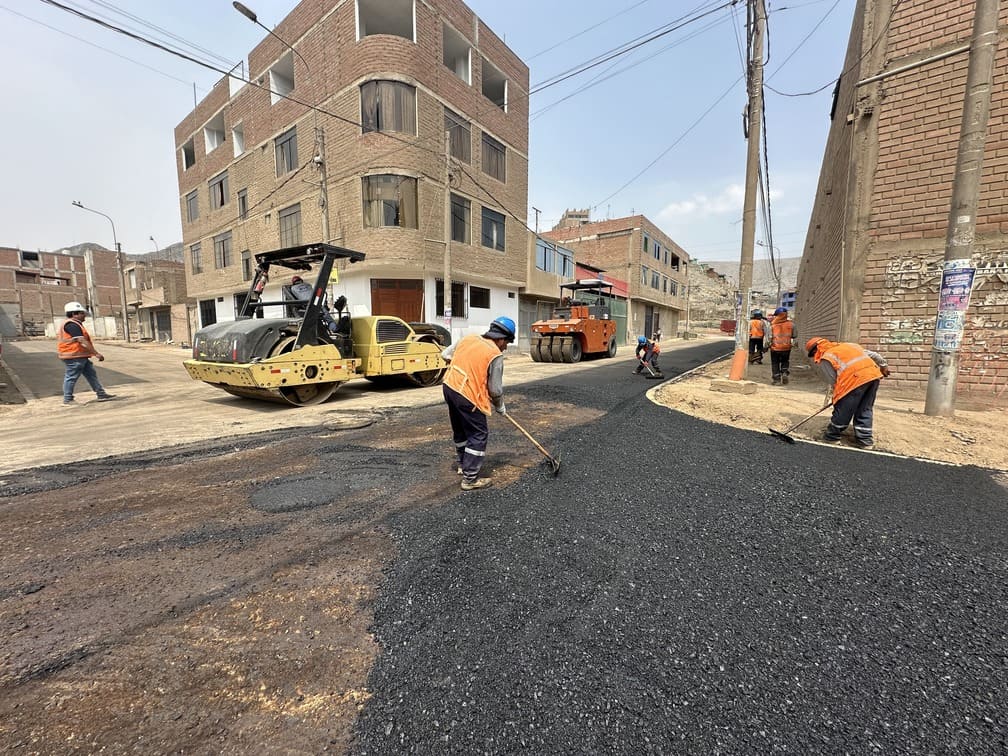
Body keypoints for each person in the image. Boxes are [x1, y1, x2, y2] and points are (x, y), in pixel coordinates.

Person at [441, 316, 515, 490]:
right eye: (507, 343)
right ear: (502, 339)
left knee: (460, 428)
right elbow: (495, 390)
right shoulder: (494, 355)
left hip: (450, 386)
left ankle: (462, 464)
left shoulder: (469, 338)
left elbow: (445, 354)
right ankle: (470, 479)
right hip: (467, 395)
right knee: (478, 434)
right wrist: (500, 406)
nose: (505, 348)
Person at [806, 337, 891, 448]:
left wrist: (838, 398)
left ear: (815, 351)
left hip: (854, 380)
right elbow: (875, 356)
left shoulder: (825, 357)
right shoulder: (849, 346)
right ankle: (865, 440)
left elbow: (834, 381)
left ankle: (832, 436)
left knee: (844, 408)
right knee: (865, 407)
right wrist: (884, 366)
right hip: (873, 376)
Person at [57, 301, 116, 406]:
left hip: (80, 356)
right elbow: (82, 341)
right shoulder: (72, 325)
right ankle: (68, 399)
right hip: (73, 356)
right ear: (75, 314)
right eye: (82, 313)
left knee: (91, 375)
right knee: (71, 377)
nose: (84, 315)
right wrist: (96, 353)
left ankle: (101, 394)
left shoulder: (75, 324)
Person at [769, 307, 795, 385]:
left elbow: (769, 337)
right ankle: (784, 372)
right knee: (785, 361)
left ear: (777, 315)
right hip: (786, 348)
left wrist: (767, 346)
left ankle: (777, 380)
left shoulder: (772, 325)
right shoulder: (791, 324)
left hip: (775, 348)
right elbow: (795, 335)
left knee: (775, 363)